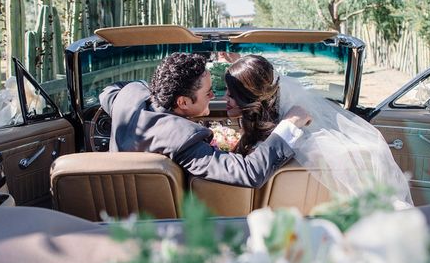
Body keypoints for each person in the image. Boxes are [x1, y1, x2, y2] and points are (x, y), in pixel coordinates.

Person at [98, 52, 312, 188]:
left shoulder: (129, 95)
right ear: (182, 102)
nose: (214, 96)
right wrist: (289, 125)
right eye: (209, 92)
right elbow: (249, 173)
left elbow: (108, 92)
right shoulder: (182, 138)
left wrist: (150, 91)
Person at [224, 54, 413, 206]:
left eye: (231, 94)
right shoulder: (309, 147)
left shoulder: (259, 155)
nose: (225, 98)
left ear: (249, 100)